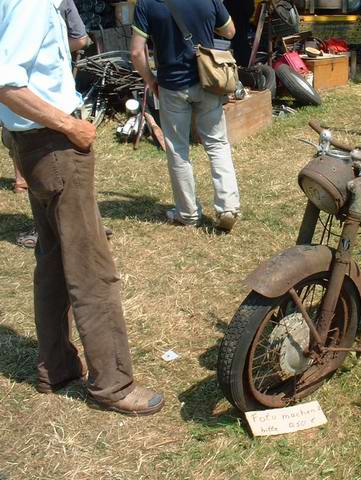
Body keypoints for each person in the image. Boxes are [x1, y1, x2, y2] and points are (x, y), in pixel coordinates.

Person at [0, 0, 164, 416]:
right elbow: (6, 83)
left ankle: (54, 367)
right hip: (53, 145)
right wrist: (69, 125)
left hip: (37, 145)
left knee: (53, 260)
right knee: (91, 267)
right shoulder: (33, 5)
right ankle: (112, 383)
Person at [130, 0, 241, 232]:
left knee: (178, 149)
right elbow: (229, 31)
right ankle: (228, 207)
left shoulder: (146, 3)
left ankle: (188, 214)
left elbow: (136, 52)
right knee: (218, 144)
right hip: (208, 79)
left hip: (172, 86)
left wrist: (150, 80)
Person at [4, 0, 89, 195]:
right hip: (44, 111)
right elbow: (80, 38)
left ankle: (22, 179)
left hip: (28, 113)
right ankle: (22, 179)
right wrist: (71, 126)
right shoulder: (32, 5)